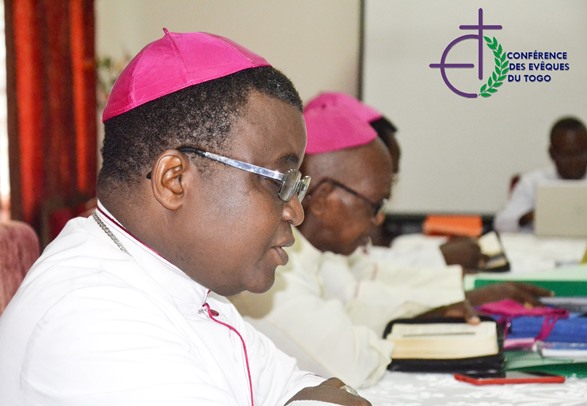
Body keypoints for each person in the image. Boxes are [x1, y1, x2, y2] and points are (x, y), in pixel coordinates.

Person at [0, 30, 370, 406]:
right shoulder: (91, 317)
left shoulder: (182, 280)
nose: (296, 211)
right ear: (174, 180)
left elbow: (313, 387)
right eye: (278, 181)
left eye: (296, 186)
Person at [230, 98, 552, 389]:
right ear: (325, 198)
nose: (380, 220)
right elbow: (350, 361)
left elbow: (355, 306)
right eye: (374, 205)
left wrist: (443, 304)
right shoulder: (269, 263)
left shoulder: (308, 252)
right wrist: (418, 330)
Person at [494, 116, 587, 233]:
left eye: (580, 153)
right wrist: (528, 217)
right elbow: (502, 224)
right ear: (552, 153)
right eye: (566, 155)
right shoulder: (532, 182)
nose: (574, 161)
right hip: (542, 244)